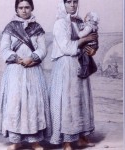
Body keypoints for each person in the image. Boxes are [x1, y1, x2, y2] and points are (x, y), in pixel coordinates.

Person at [0, 0, 51, 150]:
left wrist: (32, 58)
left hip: (33, 70)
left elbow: (43, 49)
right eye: (21, 8)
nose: (24, 10)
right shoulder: (9, 28)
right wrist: (18, 59)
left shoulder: (37, 28)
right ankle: (16, 141)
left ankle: (35, 141)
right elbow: (4, 49)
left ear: (32, 8)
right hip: (15, 71)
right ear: (16, 9)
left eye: (27, 7)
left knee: (34, 104)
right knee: (15, 104)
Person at [49, 0, 98, 149]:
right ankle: (67, 141)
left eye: (75, 2)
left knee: (81, 100)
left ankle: (82, 136)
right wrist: (85, 39)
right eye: (68, 2)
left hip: (79, 63)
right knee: (68, 102)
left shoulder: (79, 21)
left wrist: (92, 50)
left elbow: (88, 44)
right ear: (62, 4)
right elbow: (66, 47)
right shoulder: (59, 23)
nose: (72, 5)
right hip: (66, 65)